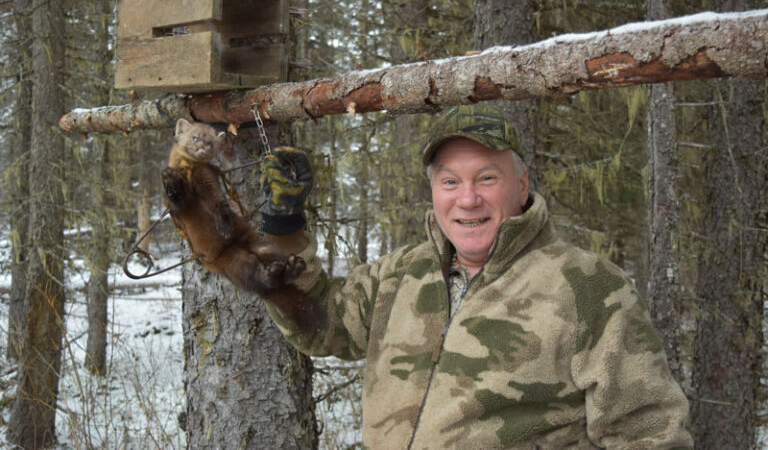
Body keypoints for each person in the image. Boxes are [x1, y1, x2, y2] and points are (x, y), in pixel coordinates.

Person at [259, 105, 694, 449]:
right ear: (433, 191)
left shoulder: (588, 286)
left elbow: (651, 434)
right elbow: (321, 326)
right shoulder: (400, 274)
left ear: (521, 187)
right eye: (450, 181)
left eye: (487, 178)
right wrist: (283, 230)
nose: (468, 199)